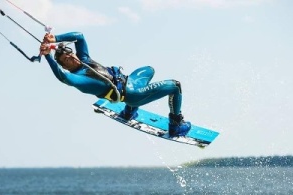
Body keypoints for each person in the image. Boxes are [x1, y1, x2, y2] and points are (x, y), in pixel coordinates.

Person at [40, 32, 191, 137]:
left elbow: (79, 36)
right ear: (65, 66)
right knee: (175, 86)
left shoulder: (84, 60)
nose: (72, 58)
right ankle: (175, 125)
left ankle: (129, 111)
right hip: (133, 94)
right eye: (67, 60)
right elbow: (62, 77)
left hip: (129, 82)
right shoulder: (79, 79)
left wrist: (55, 38)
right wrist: (48, 57)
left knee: (149, 70)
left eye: (70, 54)